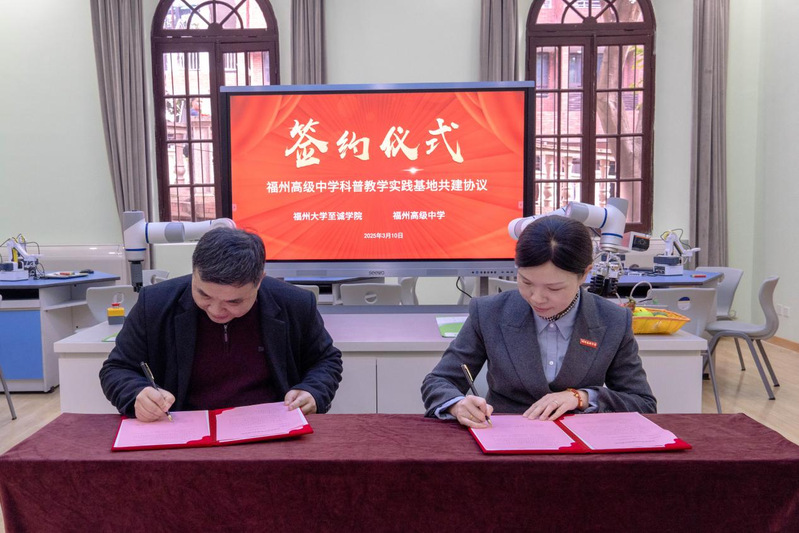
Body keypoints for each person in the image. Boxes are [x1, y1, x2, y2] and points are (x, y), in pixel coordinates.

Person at [421, 215, 656, 427]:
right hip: (504, 437)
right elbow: (439, 381)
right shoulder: (489, 313)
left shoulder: (613, 320)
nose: (536, 298)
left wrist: (582, 397)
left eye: (554, 288)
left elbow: (642, 402)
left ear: (585, 274)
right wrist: (457, 404)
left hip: (580, 445)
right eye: (526, 282)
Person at [100, 227, 343, 422]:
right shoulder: (155, 303)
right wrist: (137, 394)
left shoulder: (295, 303)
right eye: (203, 295)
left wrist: (313, 391)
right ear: (194, 272)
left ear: (259, 281)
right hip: (183, 428)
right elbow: (117, 368)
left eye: (233, 301)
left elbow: (326, 360)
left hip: (272, 428)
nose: (216, 311)